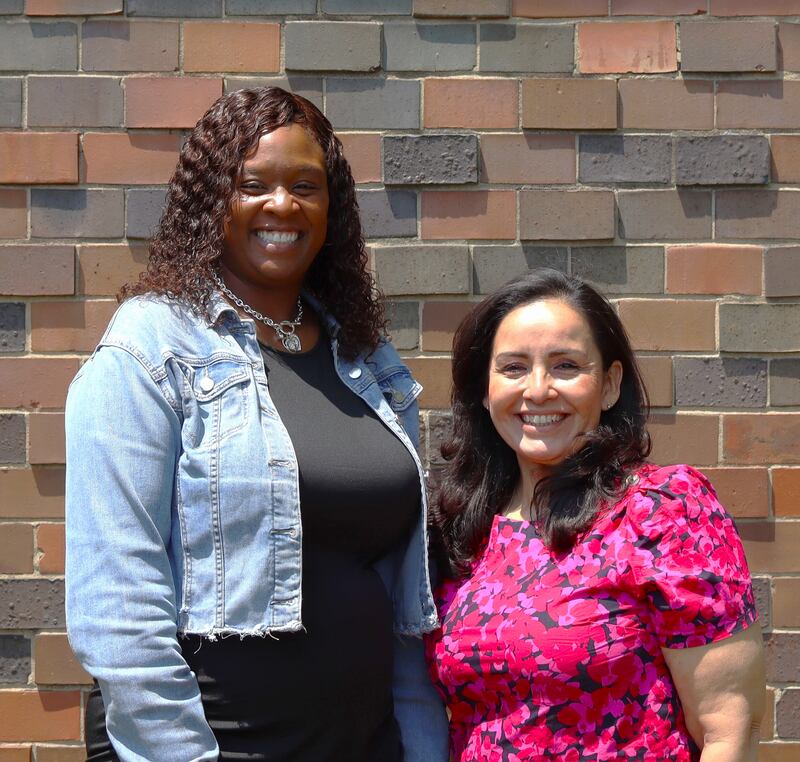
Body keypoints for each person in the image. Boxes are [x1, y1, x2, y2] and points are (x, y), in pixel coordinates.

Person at [65, 86, 448, 762]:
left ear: (333, 210)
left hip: (366, 744)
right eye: (253, 184)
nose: (282, 205)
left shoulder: (365, 359)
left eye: (307, 185)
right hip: (219, 744)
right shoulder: (151, 346)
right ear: (213, 201)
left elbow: (401, 604)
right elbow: (117, 602)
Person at [425, 269, 765, 761]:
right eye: (514, 368)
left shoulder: (665, 510)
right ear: (484, 390)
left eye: (565, 366)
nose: (538, 390)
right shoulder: (462, 531)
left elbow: (731, 731)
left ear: (609, 385)